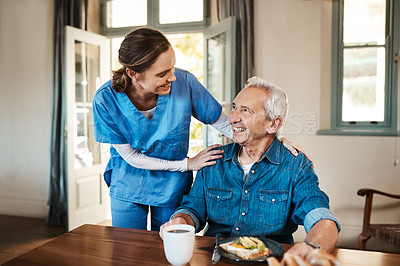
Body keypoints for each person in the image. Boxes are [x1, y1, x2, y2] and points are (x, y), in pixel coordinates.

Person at [92, 27, 309, 231]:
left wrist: (274, 140)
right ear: (133, 73)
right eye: (162, 74)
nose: (172, 77)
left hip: (171, 186)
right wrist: (188, 163)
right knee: (127, 250)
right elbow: (131, 156)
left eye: (173, 68)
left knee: (169, 246)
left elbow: (226, 124)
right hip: (129, 182)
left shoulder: (184, 83)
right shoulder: (105, 99)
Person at [160, 76, 340, 259]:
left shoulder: (295, 166)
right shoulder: (214, 160)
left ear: (273, 124)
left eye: (245, 111)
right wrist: (179, 221)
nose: (232, 118)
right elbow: (192, 210)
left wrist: (311, 247)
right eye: (234, 108)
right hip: (216, 260)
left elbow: (320, 218)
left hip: (270, 261)